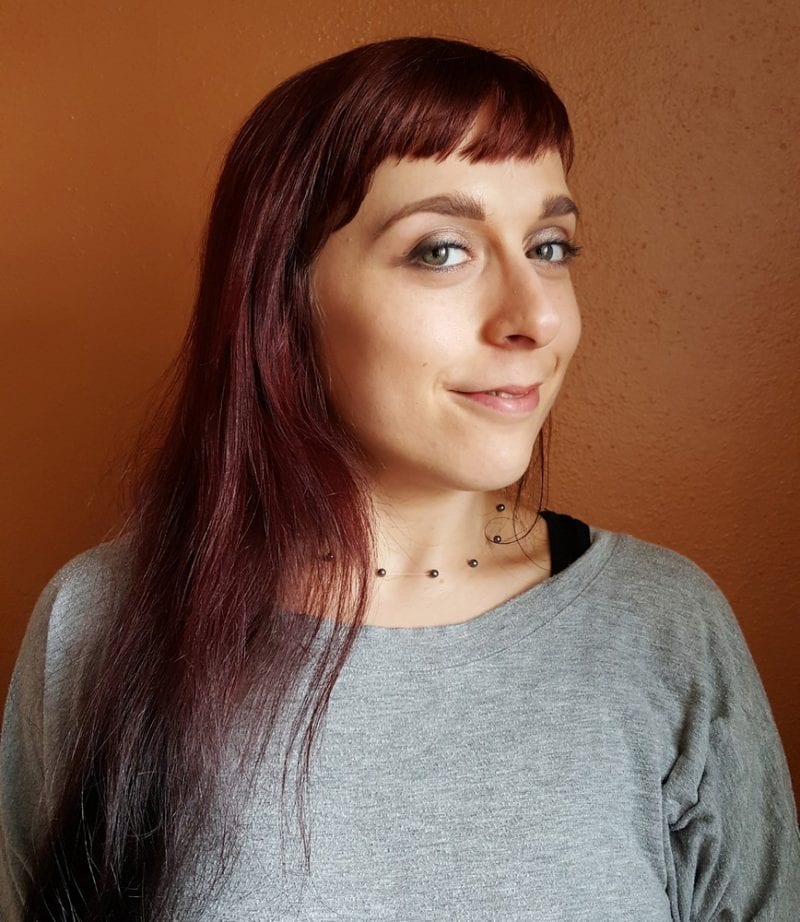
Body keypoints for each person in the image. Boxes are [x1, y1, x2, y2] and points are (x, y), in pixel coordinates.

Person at [1, 35, 798, 922]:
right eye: (442, 251)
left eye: (549, 246)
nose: (535, 315)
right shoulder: (99, 622)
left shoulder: (665, 627)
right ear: (283, 297)